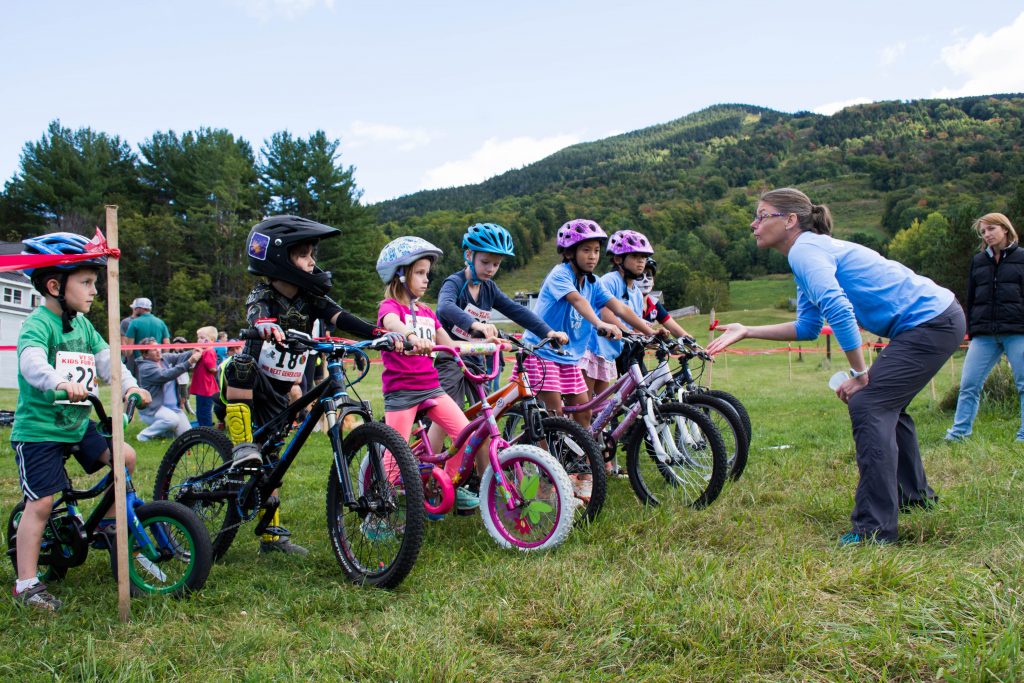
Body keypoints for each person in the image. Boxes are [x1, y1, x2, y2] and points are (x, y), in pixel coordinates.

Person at [707, 187, 965, 546]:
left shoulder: (806, 251)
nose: (754, 224)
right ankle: (915, 497)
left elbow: (840, 310)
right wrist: (748, 329)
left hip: (931, 321)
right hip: (936, 318)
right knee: (887, 404)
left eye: (762, 215)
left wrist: (861, 376)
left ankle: (874, 530)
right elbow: (808, 328)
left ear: (790, 220)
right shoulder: (807, 255)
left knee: (870, 402)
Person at [223, 215, 387, 555]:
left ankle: (271, 534)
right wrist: (266, 324)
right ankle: (241, 446)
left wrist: (381, 334)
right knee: (240, 369)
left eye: (313, 253)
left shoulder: (311, 297)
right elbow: (257, 311)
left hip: (282, 391)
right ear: (280, 259)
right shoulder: (263, 293)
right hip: (254, 385)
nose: (312, 261)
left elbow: (340, 317)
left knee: (272, 462)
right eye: (304, 254)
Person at [10, 232, 151, 611]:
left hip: (76, 426)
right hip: (39, 432)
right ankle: (26, 583)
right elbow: (31, 362)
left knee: (125, 457)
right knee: (40, 504)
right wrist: (58, 381)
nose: (94, 291)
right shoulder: (38, 324)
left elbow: (109, 363)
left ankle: (106, 525)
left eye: (96, 283)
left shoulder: (85, 327)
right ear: (56, 285)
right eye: (86, 283)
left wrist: (131, 387)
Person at [517, 220, 655, 500]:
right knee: (553, 417)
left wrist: (651, 332)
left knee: (584, 413)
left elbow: (619, 307)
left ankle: (580, 471)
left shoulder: (592, 282)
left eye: (596, 250)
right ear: (569, 253)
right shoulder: (560, 275)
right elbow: (579, 302)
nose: (592, 256)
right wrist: (600, 324)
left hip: (569, 358)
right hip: (542, 351)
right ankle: (550, 475)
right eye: (586, 250)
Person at [376, 236, 489, 513]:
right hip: (401, 393)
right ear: (400, 275)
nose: (426, 280)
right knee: (395, 454)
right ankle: (383, 507)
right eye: (419, 273)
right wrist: (411, 336)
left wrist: (486, 345)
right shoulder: (390, 307)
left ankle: (441, 486)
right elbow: (391, 324)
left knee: (465, 435)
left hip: (431, 388)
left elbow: (450, 346)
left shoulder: (427, 311)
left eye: (428, 273)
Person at [434, 222, 568, 410]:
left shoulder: (489, 288)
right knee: (449, 411)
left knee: (484, 413)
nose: (490, 269)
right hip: (451, 356)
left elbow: (517, 311)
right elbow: (444, 307)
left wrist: (548, 332)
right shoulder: (455, 283)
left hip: (476, 357)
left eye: (496, 264)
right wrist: (475, 325)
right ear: (469, 255)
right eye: (485, 262)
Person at [946, 213, 1024, 442]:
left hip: (1018, 331)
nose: (987, 234)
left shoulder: (1022, 258)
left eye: (991, 229)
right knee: (969, 384)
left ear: (1005, 229)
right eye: (983, 232)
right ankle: (958, 434)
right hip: (984, 335)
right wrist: (972, 330)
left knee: (1023, 385)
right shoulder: (978, 261)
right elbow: (971, 298)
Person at [136, 338, 201, 441]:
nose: (158, 350)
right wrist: (190, 361)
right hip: (154, 409)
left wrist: (193, 351)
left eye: (158, 347)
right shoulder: (145, 368)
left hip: (173, 408)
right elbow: (166, 375)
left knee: (188, 437)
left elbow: (180, 356)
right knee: (172, 420)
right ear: (145, 355)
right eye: (154, 349)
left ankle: (163, 433)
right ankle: (143, 436)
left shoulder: (164, 358)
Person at [636, 258, 696, 340]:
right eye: (640, 276)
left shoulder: (654, 303)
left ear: (653, 281)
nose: (645, 280)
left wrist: (697, 348)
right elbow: (635, 332)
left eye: (649, 276)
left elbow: (676, 329)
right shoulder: (626, 302)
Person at [124, 297, 170, 363]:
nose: (135, 310)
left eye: (136, 308)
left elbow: (129, 350)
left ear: (140, 308)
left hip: (140, 361)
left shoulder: (134, 323)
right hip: (156, 361)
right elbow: (167, 344)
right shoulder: (160, 322)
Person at [190, 326, 220, 428]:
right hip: (202, 387)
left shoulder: (208, 352)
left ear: (211, 340)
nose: (199, 340)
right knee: (200, 410)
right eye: (198, 337)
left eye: (202, 338)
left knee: (204, 410)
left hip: (206, 388)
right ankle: (202, 426)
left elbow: (211, 367)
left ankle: (207, 429)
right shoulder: (203, 352)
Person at [171, 336, 196, 419]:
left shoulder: (186, 355)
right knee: (177, 397)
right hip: (175, 380)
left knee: (184, 397)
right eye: (177, 344)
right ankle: (179, 412)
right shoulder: (171, 355)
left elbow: (191, 365)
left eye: (181, 345)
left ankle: (186, 411)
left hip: (183, 379)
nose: (179, 346)